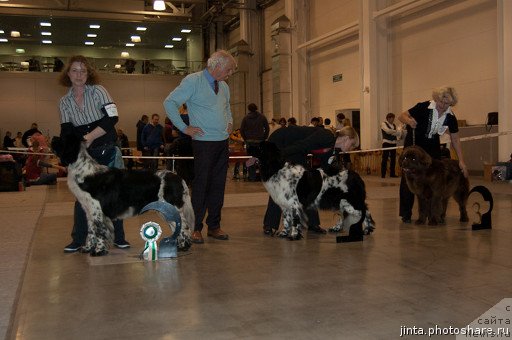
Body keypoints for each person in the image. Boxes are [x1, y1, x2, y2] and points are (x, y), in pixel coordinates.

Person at [163, 49, 237, 244]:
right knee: (201, 185)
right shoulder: (192, 81)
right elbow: (169, 103)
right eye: (228, 70)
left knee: (218, 185)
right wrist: (184, 128)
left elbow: (228, 107)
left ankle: (214, 226)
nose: (230, 74)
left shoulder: (224, 86)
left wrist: (230, 122)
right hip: (203, 143)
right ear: (217, 66)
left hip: (222, 142)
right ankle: (195, 228)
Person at [58, 54, 130, 252]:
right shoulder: (64, 102)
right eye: (74, 70)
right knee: (82, 196)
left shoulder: (99, 91)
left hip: (106, 147)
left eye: (83, 70)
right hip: (84, 156)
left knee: (113, 195)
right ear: (68, 74)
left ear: (89, 73)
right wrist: (67, 155)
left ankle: (119, 237)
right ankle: (78, 238)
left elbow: (112, 118)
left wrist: (90, 137)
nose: (79, 74)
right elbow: (66, 132)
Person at [398, 86, 468, 223]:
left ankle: (433, 214)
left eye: (447, 103)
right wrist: (409, 120)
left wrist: (461, 160)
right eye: (441, 102)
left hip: (432, 147)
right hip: (415, 145)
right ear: (437, 99)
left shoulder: (450, 116)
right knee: (409, 179)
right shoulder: (423, 106)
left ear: (451, 104)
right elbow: (402, 116)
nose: (442, 105)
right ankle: (406, 213)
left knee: (435, 181)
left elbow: (455, 139)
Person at [262, 125, 337, 235]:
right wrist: (279, 154)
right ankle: (270, 224)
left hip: (297, 150)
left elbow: (326, 167)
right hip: (281, 141)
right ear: (347, 138)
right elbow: (302, 145)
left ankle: (313, 223)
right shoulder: (326, 135)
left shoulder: (333, 147)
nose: (350, 148)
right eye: (352, 144)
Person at [240, 103, 269, 181]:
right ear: (256, 108)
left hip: (250, 142)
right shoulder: (262, 117)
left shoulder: (245, 118)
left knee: (250, 159)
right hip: (260, 141)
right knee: (261, 158)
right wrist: (264, 138)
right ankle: (262, 176)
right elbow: (267, 128)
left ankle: (252, 177)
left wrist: (245, 139)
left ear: (249, 109)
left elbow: (242, 130)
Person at [380, 113, 403, 178]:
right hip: (386, 143)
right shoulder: (383, 124)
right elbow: (387, 131)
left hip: (393, 143)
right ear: (388, 118)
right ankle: (383, 174)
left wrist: (396, 132)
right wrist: (395, 132)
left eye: (393, 119)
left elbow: (398, 134)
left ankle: (392, 174)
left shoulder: (394, 125)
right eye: (392, 118)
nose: (393, 120)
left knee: (393, 159)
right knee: (385, 158)